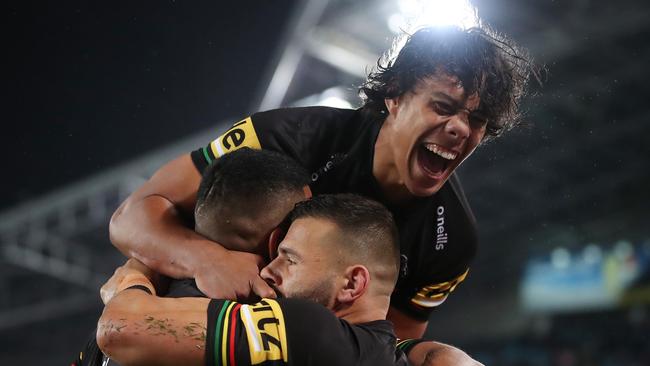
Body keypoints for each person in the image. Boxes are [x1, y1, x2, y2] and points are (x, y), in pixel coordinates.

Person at [109, 25, 535, 338]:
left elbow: (389, 345)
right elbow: (130, 219)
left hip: (296, 350)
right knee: (136, 271)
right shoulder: (286, 137)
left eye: (477, 120)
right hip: (189, 313)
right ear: (395, 96)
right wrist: (205, 260)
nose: (461, 129)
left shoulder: (453, 241)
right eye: (443, 106)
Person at [98, 194, 482, 366]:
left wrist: (134, 277)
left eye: (289, 260)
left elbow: (120, 328)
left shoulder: (308, 329)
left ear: (352, 285)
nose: (266, 270)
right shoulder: (390, 355)